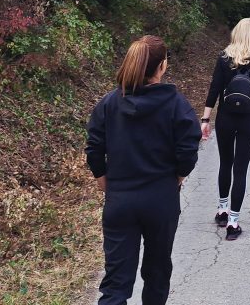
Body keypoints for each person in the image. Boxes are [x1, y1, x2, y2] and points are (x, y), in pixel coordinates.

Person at [85, 35, 201, 305]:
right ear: (162, 66)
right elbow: (188, 148)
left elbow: (94, 146)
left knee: (116, 283)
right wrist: (179, 176)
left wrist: (102, 178)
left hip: (120, 200)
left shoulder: (109, 103)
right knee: (157, 273)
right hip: (161, 199)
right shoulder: (176, 104)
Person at [200, 17, 250, 241]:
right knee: (240, 169)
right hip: (249, 118)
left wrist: (205, 119)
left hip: (225, 117)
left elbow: (214, 88)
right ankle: (233, 222)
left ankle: (222, 211)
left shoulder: (225, 57)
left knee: (225, 163)